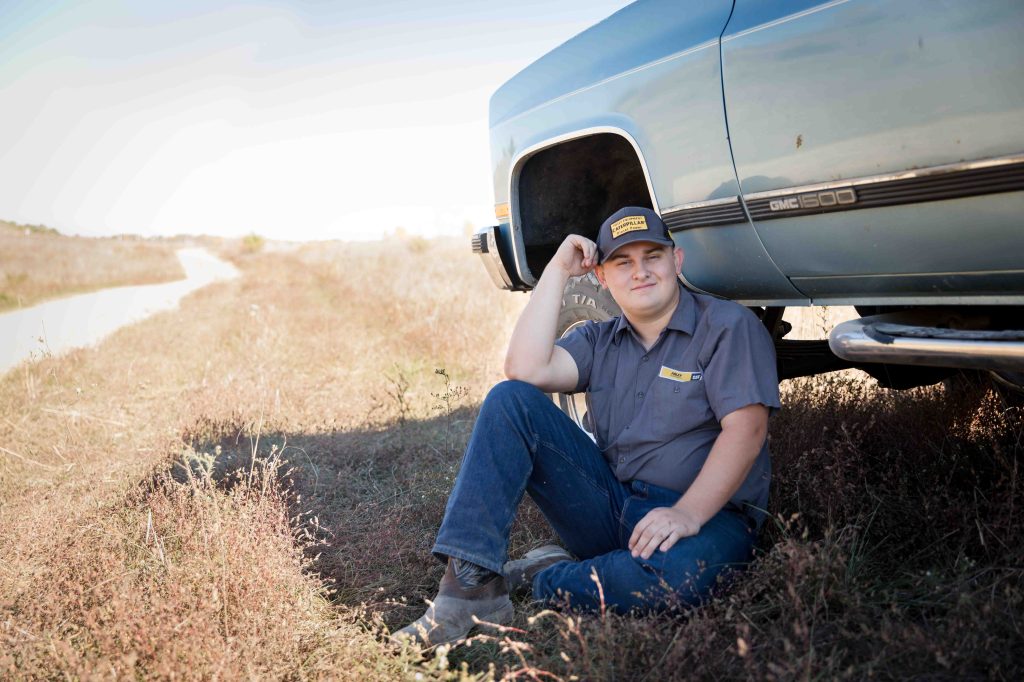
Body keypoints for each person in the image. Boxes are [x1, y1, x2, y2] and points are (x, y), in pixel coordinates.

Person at [395, 207, 780, 647]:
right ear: (601, 277)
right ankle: (469, 589)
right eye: (622, 262)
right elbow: (525, 368)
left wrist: (687, 514)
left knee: (683, 578)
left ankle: (547, 576)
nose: (640, 272)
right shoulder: (600, 339)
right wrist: (558, 270)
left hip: (708, 519)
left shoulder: (727, 326)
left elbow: (747, 431)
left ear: (677, 261)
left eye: (652, 256)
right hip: (614, 506)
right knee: (510, 400)